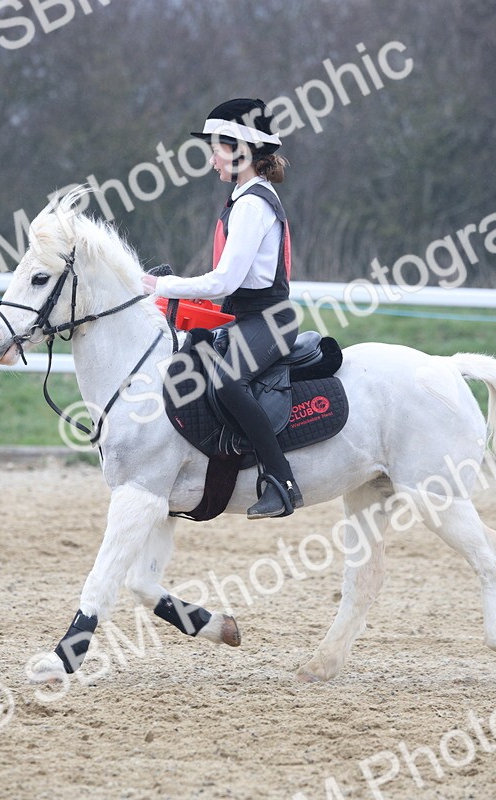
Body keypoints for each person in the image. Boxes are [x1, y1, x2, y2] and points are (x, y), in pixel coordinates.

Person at [142, 98, 302, 519]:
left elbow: (223, 282)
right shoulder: (242, 196)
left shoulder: (252, 204)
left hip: (268, 319)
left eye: (217, 148)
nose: (212, 159)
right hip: (244, 316)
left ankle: (282, 481)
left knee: (230, 383)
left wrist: (164, 285)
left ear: (241, 151)